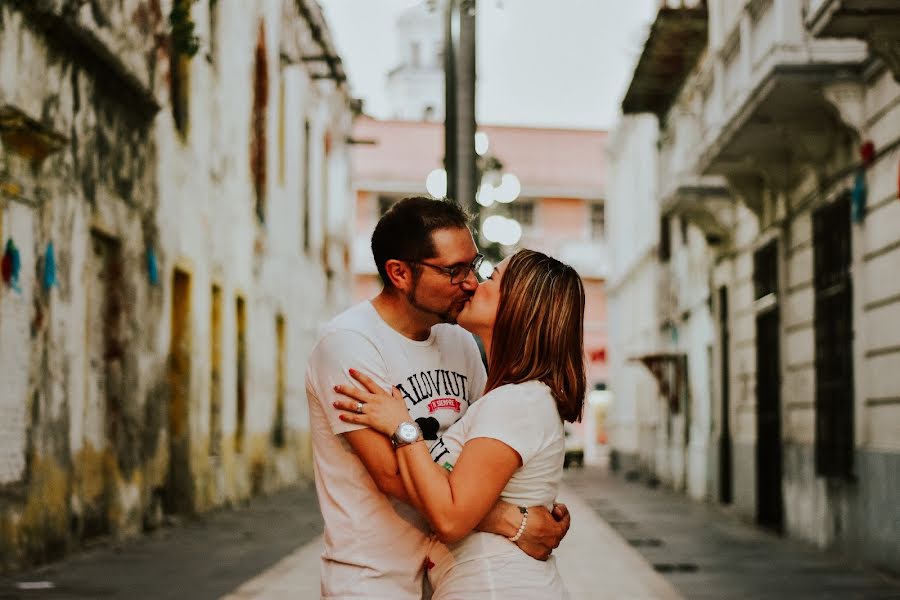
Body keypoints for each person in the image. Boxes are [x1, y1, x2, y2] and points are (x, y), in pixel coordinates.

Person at [304, 198, 570, 600]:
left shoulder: (462, 343)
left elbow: (483, 458)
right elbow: (393, 476)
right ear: (399, 273)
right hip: (374, 580)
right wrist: (511, 519)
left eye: (473, 266)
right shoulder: (348, 345)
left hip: (449, 577)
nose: (469, 283)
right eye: (453, 270)